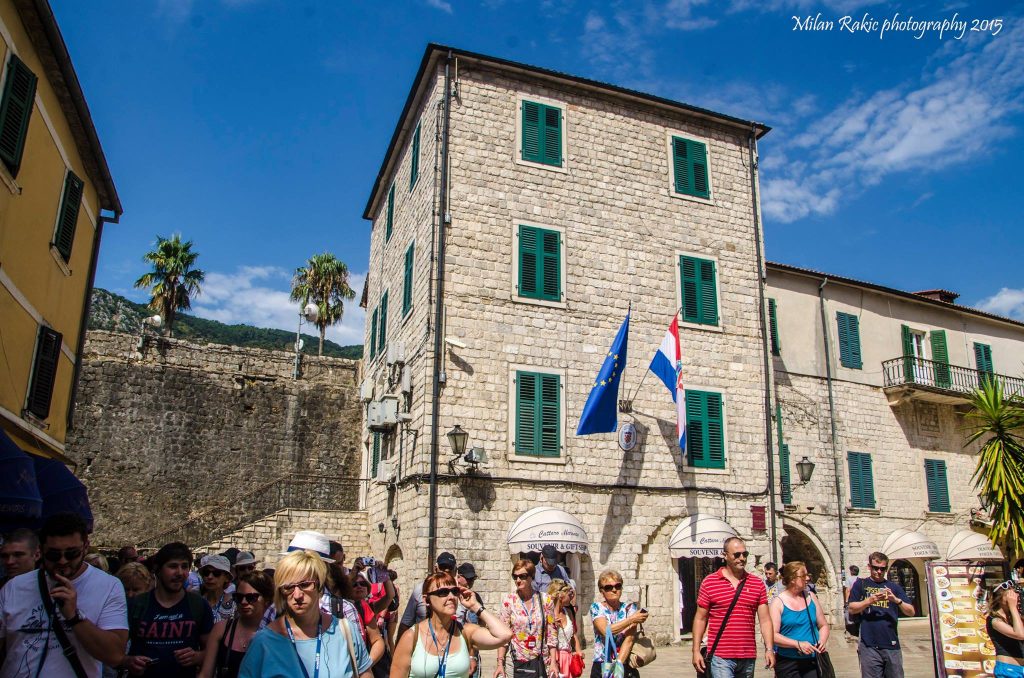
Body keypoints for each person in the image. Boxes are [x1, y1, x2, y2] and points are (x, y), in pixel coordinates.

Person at [0, 512, 128, 677]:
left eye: (71, 553)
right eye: (53, 554)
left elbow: (115, 656)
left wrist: (74, 616)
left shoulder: (109, 586)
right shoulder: (15, 587)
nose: (62, 561)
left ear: (85, 547)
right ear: (41, 550)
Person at [238, 549, 372, 677]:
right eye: (289, 587)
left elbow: (365, 674)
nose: (297, 595)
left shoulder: (345, 631)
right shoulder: (263, 642)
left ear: (319, 585)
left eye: (305, 585)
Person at [391, 571, 512, 678]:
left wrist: (475, 606)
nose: (451, 597)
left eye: (454, 591)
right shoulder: (411, 637)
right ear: (426, 599)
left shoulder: (465, 632)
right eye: (443, 592)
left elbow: (505, 635)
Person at [123, 541, 214, 677]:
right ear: (158, 569)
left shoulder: (199, 605)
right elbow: (114, 651)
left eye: (184, 567)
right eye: (173, 566)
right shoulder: (137, 605)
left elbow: (211, 652)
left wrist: (197, 657)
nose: (180, 573)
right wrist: (128, 661)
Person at [691, 537, 775, 678]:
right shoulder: (710, 582)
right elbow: (700, 618)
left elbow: (765, 620)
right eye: (737, 554)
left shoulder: (757, 584)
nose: (742, 558)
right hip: (721, 655)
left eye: (744, 554)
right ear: (725, 555)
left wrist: (769, 649)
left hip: (748, 655)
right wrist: (695, 650)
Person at [847, 551, 914, 678]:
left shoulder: (894, 587)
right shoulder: (861, 584)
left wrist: (896, 600)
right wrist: (869, 601)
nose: (879, 571)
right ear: (869, 567)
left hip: (891, 644)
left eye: (882, 569)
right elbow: (851, 608)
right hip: (868, 644)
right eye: (875, 568)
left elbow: (911, 612)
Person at [198, 571, 274, 678]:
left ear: (267, 600)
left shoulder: (276, 633)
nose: (243, 602)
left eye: (251, 597)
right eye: (239, 597)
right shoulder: (221, 629)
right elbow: (206, 674)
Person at [495, 559, 558, 678]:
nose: (518, 580)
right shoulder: (509, 601)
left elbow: (551, 633)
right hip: (515, 661)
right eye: (515, 577)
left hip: (540, 660)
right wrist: (499, 663)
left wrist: (554, 662)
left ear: (531, 577)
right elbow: (503, 635)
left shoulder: (546, 600)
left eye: (522, 576)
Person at [769, 561, 829, 678]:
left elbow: (823, 625)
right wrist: (797, 644)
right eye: (803, 575)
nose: (807, 578)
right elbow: (773, 635)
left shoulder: (811, 597)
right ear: (792, 579)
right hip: (788, 663)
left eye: (808, 575)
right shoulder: (778, 602)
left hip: (812, 661)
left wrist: (822, 640)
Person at [589, 569, 645, 678]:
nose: (614, 590)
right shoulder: (596, 608)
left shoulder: (630, 608)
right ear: (602, 591)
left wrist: (618, 668)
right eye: (608, 587)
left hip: (625, 663)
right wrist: (631, 619)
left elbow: (630, 639)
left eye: (618, 586)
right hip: (602, 663)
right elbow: (606, 631)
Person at [398, 552, 458, 638]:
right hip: (424, 641)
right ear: (435, 568)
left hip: (452, 641)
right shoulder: (420, 589)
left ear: (455, 571)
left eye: (450, 568)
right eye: (443, 567)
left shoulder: (461, 593)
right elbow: (406, 623)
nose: (446, 571)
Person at [987, 582, 1024, 677]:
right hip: (1008, 670)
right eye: (1010, 597)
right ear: (999, 599)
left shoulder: (1014, 618)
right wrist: (1013, 607)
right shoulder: (994, 620)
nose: (1014, 599)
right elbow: (1020, 634)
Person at [548, 579, 583, 678]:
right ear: (561, 595)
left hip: (568, 659)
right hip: (554, 659)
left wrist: (579, 652)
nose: (571, 596)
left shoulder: (569, 612)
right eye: (569, 593)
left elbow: (574, 635)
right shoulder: (548, 613)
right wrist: (552, 625)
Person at [200, 554, 237, 623]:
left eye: (216, 573)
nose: (210, 577)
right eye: (206, 573)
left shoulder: (234, 605)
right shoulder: (196, 602)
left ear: (226, 578)